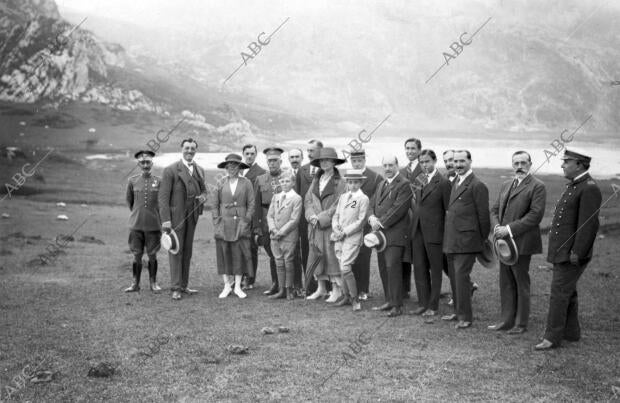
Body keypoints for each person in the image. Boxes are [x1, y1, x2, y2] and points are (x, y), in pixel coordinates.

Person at [535, 149, 602, 350]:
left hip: (571, 253)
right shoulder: (576, 186)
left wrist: (577, 253)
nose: (562, 165)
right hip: (563, 251)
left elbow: (588, 225)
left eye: (567, 162)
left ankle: (552, 337)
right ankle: (571, 333)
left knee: (558, 293)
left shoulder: (588, 188)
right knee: (568, 291)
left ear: (579, 165)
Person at [489, 151, 546, 334]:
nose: (519, 166)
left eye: (523, 163)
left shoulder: (537, 186)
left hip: (522, 242)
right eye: (516, 163)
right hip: (503, 243)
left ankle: (520, 324)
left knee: (521, 282)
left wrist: (509, 229)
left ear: (530, 164)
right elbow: (495, 209)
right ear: (512, 165)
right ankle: (506, 321)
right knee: (505, 282)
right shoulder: (507, 184)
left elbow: (535, 215)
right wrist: (497, 226)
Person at [442, 150, 490, 328]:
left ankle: (466, 317)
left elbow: (484, 217)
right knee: (454, 278)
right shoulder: (455, 181)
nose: (458, 165)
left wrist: (481, 239)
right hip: (452, 239)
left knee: (461, 277)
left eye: (462, 161)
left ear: (470, 161)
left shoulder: (477, 185)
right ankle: (457, 312)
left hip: (467, 242)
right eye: (455, 161)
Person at [159, 138, 208, 300]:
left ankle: (184, 285)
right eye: (187, 148)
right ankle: (175, 287)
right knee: (175, 250)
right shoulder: (170, 170)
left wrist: (202, 197)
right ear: (181, 149)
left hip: (192, 217)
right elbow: (163, 198)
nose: (190, 151)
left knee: (187, 251)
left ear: (196, 150)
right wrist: (165, 220)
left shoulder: (200, 170)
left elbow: (204, 191)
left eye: (193, 148)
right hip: (175, 218)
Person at [369, 155, 413, 317]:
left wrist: (379, 222)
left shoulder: (404, 184)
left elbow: (398, 209)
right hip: (380, 236)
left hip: (395, 235)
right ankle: (389, 300)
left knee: (393, 268)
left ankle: (397, 305)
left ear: (397, 165)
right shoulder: (381, 183)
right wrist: (371, 217)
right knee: (383, 268)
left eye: (390, 165)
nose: (387, 168)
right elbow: (371, 204)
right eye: (385, 165)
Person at [410, 150, 451, 316]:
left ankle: (433, 306)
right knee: (419, 267)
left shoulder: (443, 182)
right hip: (418, 230)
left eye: (427, 161)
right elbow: (418, 203)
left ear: (435, 161)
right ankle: (422, 303)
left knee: (435, 269)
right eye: (421, 162)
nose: (424, 165)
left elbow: (448, 211)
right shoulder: (419, 179)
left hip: (435, 232)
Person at [304, 147, 346, 301]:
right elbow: (307, 200)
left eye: (327, 160)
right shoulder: (316, 180)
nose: (324, 162)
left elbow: (338, 204)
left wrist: (322, 218)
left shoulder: (340, 182)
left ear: (334, 162)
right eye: (321, 160)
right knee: (317, 255)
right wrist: (311, 216)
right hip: (315, 226)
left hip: (330, 226)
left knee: (332, 257)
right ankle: (321, 288)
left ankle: (337, 290)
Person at [213, 153, 255, 299]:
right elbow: (214, 205)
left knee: (239, 254)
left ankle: (237, 286)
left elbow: (251, 204)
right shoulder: (220, 183)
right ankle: (226, 285)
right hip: (224, 224)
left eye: (235, 165)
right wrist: (217, 221)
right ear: (226, 167)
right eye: (229, 165)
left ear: (239, 167)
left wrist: (247, 220)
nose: (231, 167)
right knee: (223, 253)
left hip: (240, 224)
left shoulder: (246, 182)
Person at [442, 149, 478, 305]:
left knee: (458, 266)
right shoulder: (445, 179)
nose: (450, 163)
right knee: (446, 263)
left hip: (461, 233)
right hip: (445, 230)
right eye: (446, 161)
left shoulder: (468, 181)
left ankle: (462, 293)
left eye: (452, 160)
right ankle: (465, 289)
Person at [331, 169, 370, 311]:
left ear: (360, 183)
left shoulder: (363, 198)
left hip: (352, 237)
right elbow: (336, 215)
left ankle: (355, 299)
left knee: (346, 266)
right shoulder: (343, 197)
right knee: (342, 265)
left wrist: (345, 232)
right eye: (350, 182)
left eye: (356, 182)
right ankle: (346, 296)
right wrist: (336, 228)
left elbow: (360, 221)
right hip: (339, 236)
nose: (352, 185)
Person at [124, 150, 162, 293]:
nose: (145, 165)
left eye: (148, 162)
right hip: (136, 225)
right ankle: (135, 284)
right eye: (142, 162)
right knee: (137, 255)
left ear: (152, 163)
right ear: (138, 164)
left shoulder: (159, 181)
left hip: (153, 225)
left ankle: (153, 283)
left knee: (152, 255)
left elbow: (162, 203)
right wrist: (138, 214)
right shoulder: (132, 181)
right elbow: (130, 202)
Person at [349, 149, 383, 301]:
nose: (356, 163)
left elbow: (377, 201)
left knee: (364, 256)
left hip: (366, 223)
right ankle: (352, 289)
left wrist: (372, 218)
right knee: (351, 255)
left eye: (359, 160)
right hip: (350, 223)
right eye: (354, 160)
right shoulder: (349, 176)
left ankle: (363, 289)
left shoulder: (375, 177)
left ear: (364, 160)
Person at [266, 171, 302, 300]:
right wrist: (273, 229)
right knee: (279, 262)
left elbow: (294, 220)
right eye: (282, 181)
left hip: (288, 236)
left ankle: (289, 289)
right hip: (275, 236)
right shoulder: (276, 196)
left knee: (288, 261)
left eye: (287, 181)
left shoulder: (297, 198)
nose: (284, 183)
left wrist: (281, 232)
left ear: (292, 182)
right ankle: (281, 289)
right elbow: (270, 215)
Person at [253, 147, 284, 295]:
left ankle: (290, 285)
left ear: (280, 161)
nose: (272, 163)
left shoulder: (287, 178)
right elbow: (256, 205)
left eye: (275, 160)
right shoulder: (260, 179)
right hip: (266, 223)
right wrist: (257, 227)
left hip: (284, 221)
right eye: (269, 161)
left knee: (288, 255)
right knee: (272, 255)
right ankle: (275, 284)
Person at [296, 139, 324, 291]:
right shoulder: (303, 170)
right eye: (308, 151)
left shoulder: (327, 169)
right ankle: (310, 285)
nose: (309, 154)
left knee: (324, 250)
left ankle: (327, 285)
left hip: (322, 219)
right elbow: (299, 195)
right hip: (304, 220)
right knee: (306, 251)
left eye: (312, 151)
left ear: (320, 151)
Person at [399, 137, 423, 299]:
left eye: (413, 148)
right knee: (404, 253)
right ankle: (404, 289)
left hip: (421, 219)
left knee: (427, 257)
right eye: (407, 148)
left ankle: (467, 285)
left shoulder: (425, 168)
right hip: (405, 219)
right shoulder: (402, 171)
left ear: (419, 150)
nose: (410, 151)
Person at [240, 144, 266, 290]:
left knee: (251, 248)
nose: (249, 156)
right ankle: (239, 277)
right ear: (243, 154)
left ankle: (250, 279)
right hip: (238, 215)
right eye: (247, 153)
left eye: (252, 153)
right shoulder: (239, 170)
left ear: (256, 155)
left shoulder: (262, 172)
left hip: (253, 215)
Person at [287, 147, 304, 294]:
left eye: (297, 157)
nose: (294, 160)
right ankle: (295, 285)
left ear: (302, 158)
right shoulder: (285, 176)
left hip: (305, 220)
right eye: (292, 157)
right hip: (290, 222)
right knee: (292, 254)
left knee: (307, 252)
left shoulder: (307, 173)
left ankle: (311, 286)